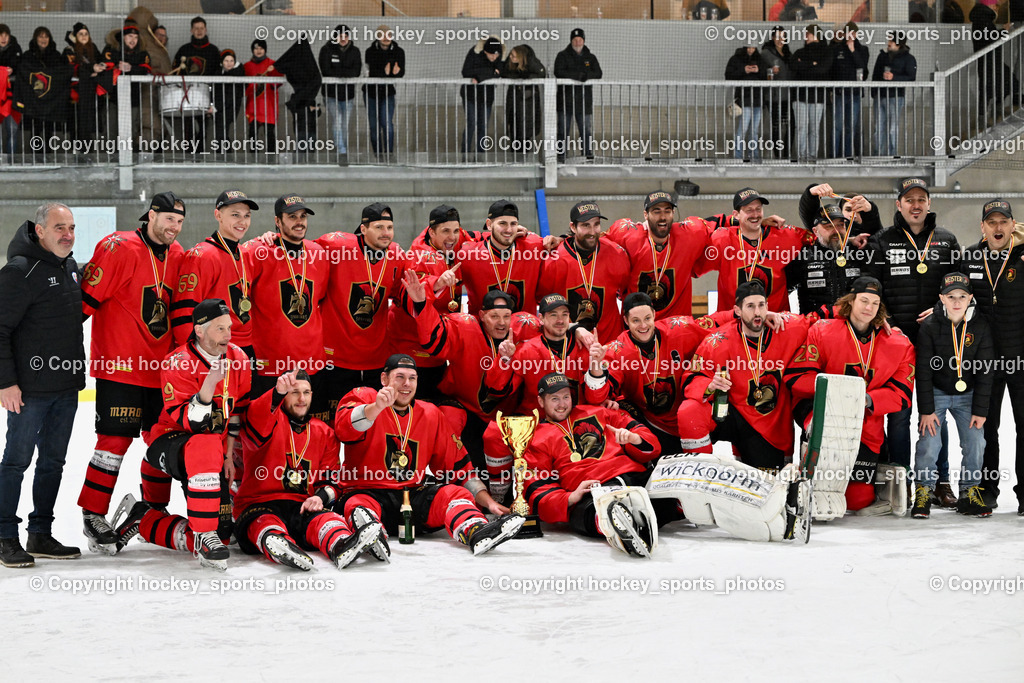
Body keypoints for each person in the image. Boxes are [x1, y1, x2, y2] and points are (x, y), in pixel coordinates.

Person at [76, 192, 185, 554]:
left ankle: (153, 510)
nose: (173, 227)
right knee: (114, 442)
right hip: (120, 368)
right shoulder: (117, 247)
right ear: (150, 215)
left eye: (179, 221)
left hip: (161, 372)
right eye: (167, 218)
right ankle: (93, 514)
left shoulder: (179, 255)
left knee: (162, 441)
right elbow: (83, 303)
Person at [333, 354, 523, 556]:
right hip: (368, 490)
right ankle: (370, 535)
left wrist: (489, 502)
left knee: (455, 494)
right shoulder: (365, 396)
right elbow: (344, 429)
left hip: (412, 499)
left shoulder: (430, 413)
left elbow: (458, 468)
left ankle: (476, 531)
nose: (406, 384)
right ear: (384, 379)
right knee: (357, 505)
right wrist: (376, 408)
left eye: (412, 378)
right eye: (399, 377)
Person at [127, 299, 251, 570]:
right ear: (199, 331)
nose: (228, 335)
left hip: (211, 453)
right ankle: (205, 535)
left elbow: (237, 413)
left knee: (225, 533)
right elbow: (192, 423)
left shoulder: (239, 358)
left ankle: (143, 520)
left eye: (229, 328)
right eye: (220, 329)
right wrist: (209, 384)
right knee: (205, 443)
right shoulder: (177, 362)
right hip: (170, 440)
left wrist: (229, 456)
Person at [229, 369, 385, 570]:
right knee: (265, 521)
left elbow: (331, 481)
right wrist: (276, 392)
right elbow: (256, 420)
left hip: (299, 506)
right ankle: (277, 543)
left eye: (306, 392)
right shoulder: (268, 420)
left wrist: (319, 497)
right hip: (259, 503)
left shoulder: (324, 432)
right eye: (294, 392)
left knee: (325, 518)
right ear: (284, 394)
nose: (301, 398)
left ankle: (341, 545)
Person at [0, 204, 84, 568]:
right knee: (16, 462)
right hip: (29, 392)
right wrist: (6, 383)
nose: (67, 234)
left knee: (53, 463)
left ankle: (40, 533)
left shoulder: (70, 267)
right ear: (39, 230)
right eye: (59, 227)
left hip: (65, 388)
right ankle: (5, 537)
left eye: (72, 227)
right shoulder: (20, 271)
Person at [788, 277, 916, 514]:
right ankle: (809, 457)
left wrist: (866, 400)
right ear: (850, 301)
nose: (869, 308)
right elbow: (796, 377)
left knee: (857, 500)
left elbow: (902, 395)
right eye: (864, 300)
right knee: (818, 480)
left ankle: (876, 474)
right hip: (822, 410)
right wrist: (835, 391)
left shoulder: (899, 344)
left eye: (875, 303)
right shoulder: (823, 330)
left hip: (865, 424)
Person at [863, 178, 960, 474]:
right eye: (909, 200)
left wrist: (942, 309)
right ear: (899, 205)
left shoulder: (946, 240)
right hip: (896, 343)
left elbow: (960, 288)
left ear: (929, 204)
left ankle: (938, 480)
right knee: (898, 413)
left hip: (937, 340)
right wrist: (888, 326)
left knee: (934, 411)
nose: (915, 205)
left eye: (921, 200)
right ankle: (900, 478)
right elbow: (872, 289)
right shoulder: (882, 240)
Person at [524, 372, 677, 558]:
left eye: (566, 397)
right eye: (554, 398)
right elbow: (537, 488)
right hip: (593, 492)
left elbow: (651, 444)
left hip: (631, 476)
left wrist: (634, 439)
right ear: (541, 402)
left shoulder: (599, 411)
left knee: (669, 494)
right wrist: (570, 497)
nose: (562, 404)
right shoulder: (536, 438)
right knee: (580, 516)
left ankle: (659, 510)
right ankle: (620, 522)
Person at [677, 281, 810, 472]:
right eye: (750, 306)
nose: (757, 312)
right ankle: (698, 474)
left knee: (766, 489)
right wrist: (709, 385)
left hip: (768, 428)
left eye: (761, 305)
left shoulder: (790, 329)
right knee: (690, 411)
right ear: (737, 311)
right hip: (730, 414)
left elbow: (821, 323)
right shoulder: (718, 341)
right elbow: (691, 377)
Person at [582, 293, 731, 455]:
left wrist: (745, 314)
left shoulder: (679, 328)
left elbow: (715, 321)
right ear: (625, 321)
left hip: (687, 417)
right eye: (635, 321)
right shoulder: (617, 350)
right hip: (651, 425)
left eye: (647, 318)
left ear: (654, 314)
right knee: (615, 410)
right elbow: (595, 397)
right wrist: (595, 365)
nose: (643, 326)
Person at [314, 202, 409, 419]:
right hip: (335, 361)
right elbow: (299, 249)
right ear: (363, 228)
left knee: (374, 426)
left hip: (376, 361)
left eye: (389, 227)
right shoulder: (337, 247)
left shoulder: (395, 254)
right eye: (379, 227)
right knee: (333, 426)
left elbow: (404, 294)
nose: (386, 233)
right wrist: (273, 239)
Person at [959, 199, 1024, 512]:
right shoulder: (970, 256)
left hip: (1021, 356)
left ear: (1013, 225)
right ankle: (986, 489)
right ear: (982, 227)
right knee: (986, 426)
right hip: (985, 359)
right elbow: (954, 296)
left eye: (1003, 222)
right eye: (991, 222)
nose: (998, 228)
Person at [911, 273, 994, 518]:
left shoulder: (980, 325)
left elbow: (986, 371)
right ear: (941, 299)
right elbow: (923, 371)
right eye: (950, 297)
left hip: (967, 394)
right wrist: (926, 410)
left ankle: (970, 493)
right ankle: (923, 491)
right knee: (929, 442)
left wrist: (980, 410)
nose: (956, 302)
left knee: (976, 441)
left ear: (970, 298)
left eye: (962, 296)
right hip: (936, 392)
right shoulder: (930, 326)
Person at [244, 194, 329, 414]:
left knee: (308, 432)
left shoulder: (319, 253)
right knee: (268, 432)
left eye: (302, 216)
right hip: (270, 365)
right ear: (278, 221)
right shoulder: (258, 252)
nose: (299, 221)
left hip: (312, 364)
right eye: (292, 217)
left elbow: (319, 299)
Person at [170, 190, 260, 370]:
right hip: (214, 351)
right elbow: (184, 311)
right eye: (235, 215)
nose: (242, 222)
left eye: (246, 216)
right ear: (217, 215)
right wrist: (192, 357)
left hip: (245, 351)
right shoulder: (202, 255)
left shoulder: (244, 254)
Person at [386, 204, 466, 402]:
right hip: (411, 350)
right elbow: (411, 297)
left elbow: (473, 236)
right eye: (446, 231)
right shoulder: (419, 257)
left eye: (456, 231)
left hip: (436, 349)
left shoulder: (446, 246)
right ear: (431, 232)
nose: (452, 237)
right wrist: (437, 283)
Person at [603, 191, 714, 318]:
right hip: (637, 329)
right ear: (645, 214)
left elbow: (720, 224)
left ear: (673, 213)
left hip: (675, 330)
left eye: (667, 211)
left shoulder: (688, 234)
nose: (663, 217)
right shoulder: (628, 235)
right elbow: (596, 244)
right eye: (656, 211)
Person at [703, 187, 811, 314]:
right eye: (749, 210)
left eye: (758, 209)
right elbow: (699, 229)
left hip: (775, 326)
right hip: (733, 326)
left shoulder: (785, 235)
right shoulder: (722, 239)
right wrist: (731, 222)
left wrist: (811, 194)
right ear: (736, 214)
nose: (755, 214)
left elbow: (820, 235)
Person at [487, 293, 596, 414]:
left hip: (575, 421)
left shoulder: (584, 347)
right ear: (541, 318)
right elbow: (497, 390)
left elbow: (596, 396)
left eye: (564, 314)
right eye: (553, 315)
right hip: (536, 422)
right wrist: (504, 359)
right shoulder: (526, 351)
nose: (560, 320)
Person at [539, 201, 631, 343]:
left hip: (609, 344)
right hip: (569, 347)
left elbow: (625, 291)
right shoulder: (554, 259)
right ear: (573, 227)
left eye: (596, 224)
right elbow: (543, 303)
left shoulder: (616, 254)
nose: (592, 231)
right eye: (585, 225)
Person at [456, 200, 547, 314]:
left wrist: (559, 239)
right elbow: (444, 237)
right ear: (489, 225)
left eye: (513, 224)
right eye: (502, 223)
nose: (509, 229)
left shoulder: (534, 247)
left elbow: (568, 244)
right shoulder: (468, 255)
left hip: (525, 329)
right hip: (481, 330)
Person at [14, 27, 72, 161]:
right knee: (35, 129)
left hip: (51, 102)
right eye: (40, 36)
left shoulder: (56, 55)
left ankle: (48, 156)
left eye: (46, 36)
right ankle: (35, 157)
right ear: (35, 38)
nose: (43, 39)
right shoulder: (28, 55)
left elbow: (61, 72)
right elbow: (22, 71)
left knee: (49, 129)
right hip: (34, 101)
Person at [553, 28, 602, 162]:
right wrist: (577, 76)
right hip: (565, 100)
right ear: (571, 41)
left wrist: (586, 76)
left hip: (584, 101)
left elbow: (598, 73)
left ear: (584, 41)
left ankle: (587, 155)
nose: (577, 42)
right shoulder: (562, 56)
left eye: (580, 40)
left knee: (585, 130)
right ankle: (561, 156)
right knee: (563, 130)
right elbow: (558, 71)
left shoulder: (590, 58)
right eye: (575, 40)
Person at [319, 25, 361, 164]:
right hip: (331, 95)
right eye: (340, 36)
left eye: (346, 36)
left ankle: (342, 148)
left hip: (348, 95)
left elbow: (356, 71)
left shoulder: (355, 51)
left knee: (344, 125)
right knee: (337, 121)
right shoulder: (326, 50)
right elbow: (326, 70)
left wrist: (339, 71)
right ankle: (342, 151)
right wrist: (345, 72)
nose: (343, 39)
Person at [791, 24, 833, 163]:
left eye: (808, 33)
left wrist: (805, 65)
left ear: (816, 35)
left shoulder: (826, 52)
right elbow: (794, 67)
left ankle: (812, 156)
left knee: (814, 128)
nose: (805, 36)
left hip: (818, 96)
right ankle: (801, 156)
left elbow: (823, 69)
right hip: (800, 96)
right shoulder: (799, 52)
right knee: (801, 127)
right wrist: (813, 64)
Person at [62, 22, 108, 147]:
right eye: (80, 34)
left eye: (86, 34)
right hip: (75, 97)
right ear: (75, 36)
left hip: (91, 95)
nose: (83, 36)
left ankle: (89, 156)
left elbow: (101, 62)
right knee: (76, 128)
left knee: (90, 129)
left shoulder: (92, 48)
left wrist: (101, 68)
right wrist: (90, 70)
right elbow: (71, 68)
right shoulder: (69, 50)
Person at [871, 32, 917, 157]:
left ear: (898, 44)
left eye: (891, 40)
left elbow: (911, 77)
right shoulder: (882, 57)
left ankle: (892, 156)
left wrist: (894, 77)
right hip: (880, 96)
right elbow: (875, 74)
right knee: (878, 129)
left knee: (892, 129)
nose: (888, 43)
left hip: (896, 97)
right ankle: (878, 156)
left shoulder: (909, 59)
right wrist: (874, 93)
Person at [363, 25, 404, 158]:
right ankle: (378, 155)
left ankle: (389, 154)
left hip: (387, 93)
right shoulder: (370, 51)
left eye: (388, 34)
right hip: (370, 93)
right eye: (382, 34)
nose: (386, 37)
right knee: (374, 127)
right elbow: (371, 72)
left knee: (387, 124)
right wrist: (385, 72)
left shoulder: (399, 51)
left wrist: (392, 74)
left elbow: (400, 72)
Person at [460, 36, 504, 158]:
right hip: (470, 95)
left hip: (487, 97)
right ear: (485, 52)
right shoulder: (474, 53)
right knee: (471, 123)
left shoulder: (499, 57)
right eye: (491, 55)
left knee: (483, 125)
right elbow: (466, 72)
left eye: (496, 55)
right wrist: (490, 73)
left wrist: (479, 76)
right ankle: (465, 153)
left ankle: (480, 154)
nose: (494, 58)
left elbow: (500, 72)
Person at [830, 22, 869, 159]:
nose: (851, 36)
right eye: (849, 33)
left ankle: (847, 156)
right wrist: (831, 90)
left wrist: (852, 50)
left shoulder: (863, 49)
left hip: (855, 94)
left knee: (850, 127)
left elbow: (863, 68)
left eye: (853, 33)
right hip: (840, 93)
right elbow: (832, 71)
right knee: (838, 126)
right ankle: (834, 156)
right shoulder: (837, 49)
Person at [725, 43, 768, 162]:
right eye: (748, 47)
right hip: (744, 99)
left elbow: (767, 75)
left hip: (758, 99)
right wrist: (744, 70)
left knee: (754, 131)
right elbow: (728, 75)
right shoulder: (736, 59)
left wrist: (758, 70)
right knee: (742, 130)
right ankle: (738, 157)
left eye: (753, 48)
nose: (750, 50)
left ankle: (753, 156)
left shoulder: (760, 60)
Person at [503, 43, 546, 155]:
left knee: (526, 133)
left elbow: (542, 73)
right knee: (514, 132)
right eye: (511, 55)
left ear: (521, 57)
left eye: (514, 56)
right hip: (514, 103)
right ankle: (515, 159)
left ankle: (525, 160)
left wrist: (527, 78)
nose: (511, 58)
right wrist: (519, 77)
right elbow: (504, 73)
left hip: (528, 104)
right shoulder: (510, 64)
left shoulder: (532, 63)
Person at [244, 39, 281, 162]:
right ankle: (254, 160)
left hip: (268, 106)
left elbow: (279, 81)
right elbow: (243, 87)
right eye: (256, 48)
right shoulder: (247, 66)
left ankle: (271, 161)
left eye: (261, 48)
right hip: (253, 106)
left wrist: (274, 72)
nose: (258, 51)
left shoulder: (272, 64)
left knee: (270, 134)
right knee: (252, 134)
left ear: (265, 50)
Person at [760, 28, 791, 160]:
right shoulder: (766, 53)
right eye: (777, 36)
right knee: (776, 126)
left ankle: (785, 154)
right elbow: (761, 70)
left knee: (787, 125)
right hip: (773, 97)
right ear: (773, 37)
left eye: (783, 37)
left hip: (787, 96)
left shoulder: (788, 53)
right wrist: (770, 71)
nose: (780, 40)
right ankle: (777, 154)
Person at [210, 49, 245, 148]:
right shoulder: (217, 72)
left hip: (228, 108)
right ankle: (224, 157)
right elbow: (213, 90)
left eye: (231, 61)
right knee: (221, 135)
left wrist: (216, 107)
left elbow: (231, 95)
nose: (229, 63)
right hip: (218, 108)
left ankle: (224, 157)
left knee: (221, 135)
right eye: (226, 61)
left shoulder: (238, 73)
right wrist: (212, 105)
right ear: (222, 62)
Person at [0, 24, 24, 162]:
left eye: (6, 35)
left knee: (12, 130)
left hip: (12, 97)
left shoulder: (16, 49)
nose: (3, 38)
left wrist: (12, 70)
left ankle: (11, 160)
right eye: (1, 35)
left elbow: (21, 66)